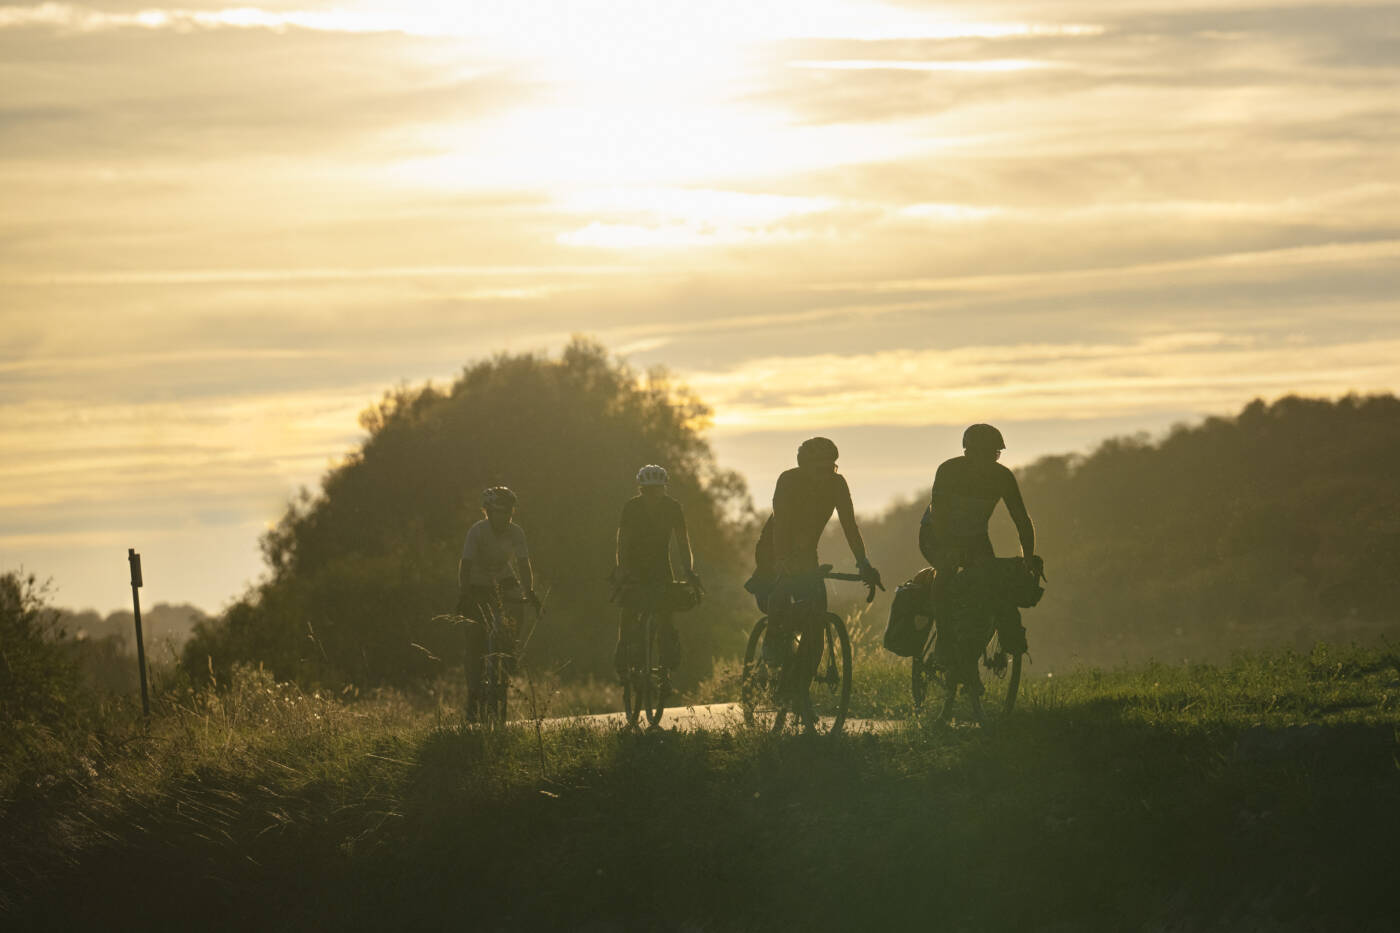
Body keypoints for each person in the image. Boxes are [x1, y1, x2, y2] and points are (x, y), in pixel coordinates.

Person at [763, 437, 883, 661]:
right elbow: (781, 526)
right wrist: (781, 560)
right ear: (803, 466)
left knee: (815, 616)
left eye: (831, 468)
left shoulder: (837, 483)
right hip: (774, 544)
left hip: (807, 550)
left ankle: (800, 686)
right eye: (820, 469)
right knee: (780, 591)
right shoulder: (788, 481)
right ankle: (773, 639)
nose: (826, 474)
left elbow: (849, 525)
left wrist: (863, 562)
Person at [920, 423, 1037, 589]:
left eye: (994, 455)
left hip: (975, 537)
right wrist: (950, 548)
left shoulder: (1003, 478)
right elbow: (939, 515)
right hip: (935, 534)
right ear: (968, 453)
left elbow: (1022, 520)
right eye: (983, 455)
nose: (987, 462)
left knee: (991, 580)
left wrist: (1028, 557)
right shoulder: (949, 471)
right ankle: (941, 610)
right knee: (948, 570)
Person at [457, 485, 539, 718]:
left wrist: (529, 591)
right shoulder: (477, 531)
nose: (505, 517)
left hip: (504, 579)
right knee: (474, 640)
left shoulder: (516, 532)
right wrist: (464, 594)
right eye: (500, 512)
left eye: (509, 512)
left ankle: (508, 650)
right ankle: (473, 692)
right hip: (477, 583)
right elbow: (465, 564)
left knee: (516, 610)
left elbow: (523, 564)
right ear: (488, 512)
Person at [613, 464, 701, 681]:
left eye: (658, 489)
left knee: (665, 614)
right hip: (634, 567)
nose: (653, 494)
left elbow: (682, 541)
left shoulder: (673, 507)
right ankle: (624, 655)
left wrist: (688, 570)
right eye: (649, 490)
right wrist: (622, 570)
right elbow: (622, 542)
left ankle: (666, 665)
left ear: (664, 488)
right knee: (629, 611)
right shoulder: (631, 508)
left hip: (661, 568)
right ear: (641, 489)